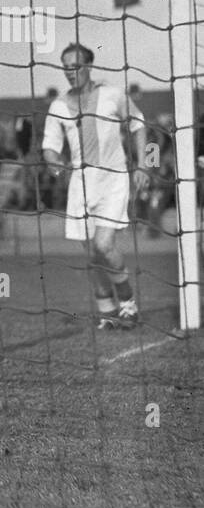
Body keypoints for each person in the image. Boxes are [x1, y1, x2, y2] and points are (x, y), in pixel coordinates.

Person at [41, 42, 148, 329]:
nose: (69, 72)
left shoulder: (113, 95)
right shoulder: (58, 106)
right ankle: (108, 310)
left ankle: (128, 304)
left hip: (113, 178)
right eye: (65, 67)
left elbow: (139, 123)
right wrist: (55, 165)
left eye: (75, 66)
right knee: (91, 253)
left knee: (104, 244)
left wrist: (145, 164)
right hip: (80, 182)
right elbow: (50, 146)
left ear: (89, 66)